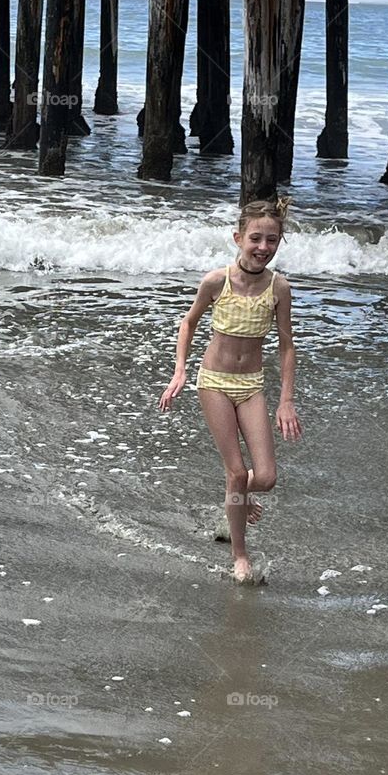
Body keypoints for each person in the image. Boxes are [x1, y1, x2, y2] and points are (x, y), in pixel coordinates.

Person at [158, 198, 302, 583]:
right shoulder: (216, 281)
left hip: (251, 385)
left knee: (265, 477)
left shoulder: (279, 287)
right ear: (238, 238)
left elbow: (286, 345)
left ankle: (233, 501)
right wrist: (180, 371)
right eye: (255, 238)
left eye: (272, 240)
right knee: (237, 473)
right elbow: (187, 324)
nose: (263, 247)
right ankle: (240, 555)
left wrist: (286, 400)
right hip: (215, 383)